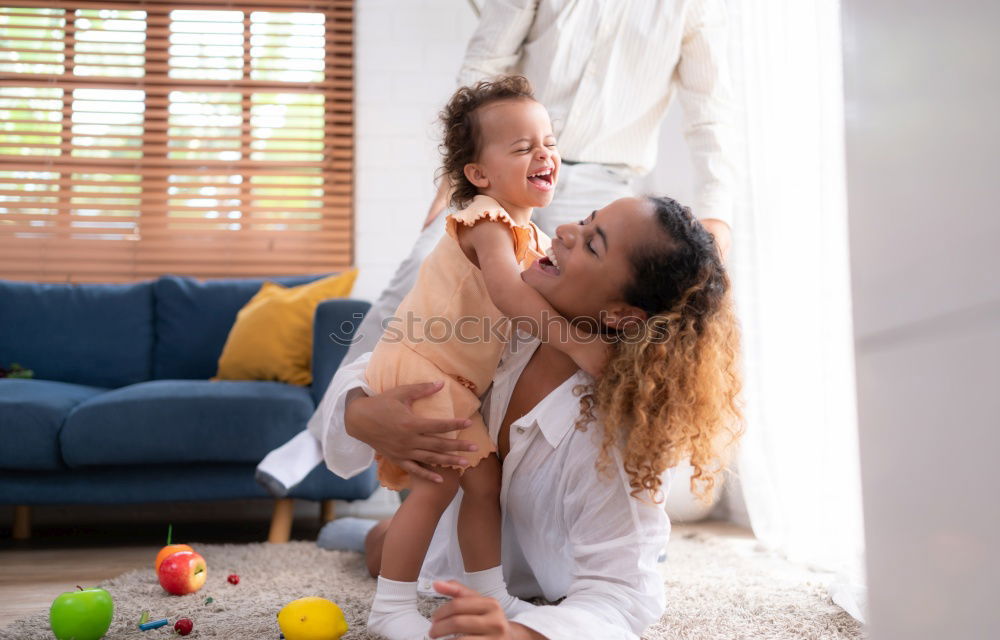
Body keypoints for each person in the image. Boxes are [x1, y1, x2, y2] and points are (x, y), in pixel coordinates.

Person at [255, 0, 735, 502]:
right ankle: (332, 436)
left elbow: (711, 115)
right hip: (506, 162)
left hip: (603, 182)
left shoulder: (692, 9)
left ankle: (616, 489)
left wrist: (717, 215)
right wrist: (454, 175)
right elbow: (485, 64)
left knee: (587, 329)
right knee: (424, 275)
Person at [319, 195, 743, 640]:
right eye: (585, 220)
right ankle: (363, 533)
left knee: (390, 545)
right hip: (448, 527)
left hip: (530, 575)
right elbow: (384, 359)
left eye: (592, 244)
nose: (563, 230)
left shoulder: (610, 438)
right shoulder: (508, 313)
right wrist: (360, 412)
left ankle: (365, 533)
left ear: (621, 314)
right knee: (382, 549)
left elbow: (622, 599)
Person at [362, 76, 608, 640]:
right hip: (422, 367)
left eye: (548, 140)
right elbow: (506, 291)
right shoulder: (486, 218)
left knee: (483, 485)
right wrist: (575, 341)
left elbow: (551, 283)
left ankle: (489, 592)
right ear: (478, 174)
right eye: (522, 148)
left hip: (451, 377)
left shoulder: (530, 232)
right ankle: (391, 605)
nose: (544, 153)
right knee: (438, 487)